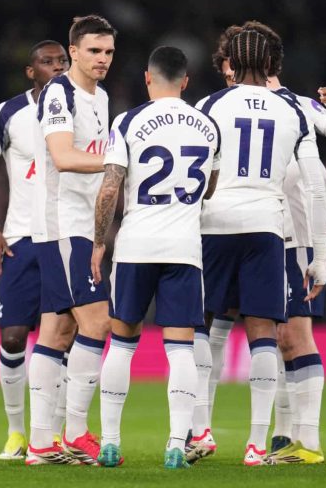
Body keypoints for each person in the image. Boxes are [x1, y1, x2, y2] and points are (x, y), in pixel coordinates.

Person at [195, 28, 326, 466]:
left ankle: (198, 430)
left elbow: (194, 174)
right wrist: (319, 255)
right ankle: (257, 444)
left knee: (208, 325)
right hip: (267, 226)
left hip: (214, 222)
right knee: (264, 333)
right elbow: (315, 187)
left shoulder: (209, 105)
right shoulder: (291, 108)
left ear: (229, 62)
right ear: (272, 62)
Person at [91, 46, 220, 469]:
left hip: (135, 246)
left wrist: (98, 241)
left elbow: (110, 187)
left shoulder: (127, 122)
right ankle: (175, 446)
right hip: (184, 248)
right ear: (186, 82)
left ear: (148, 78)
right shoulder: (207, 125)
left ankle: (110, 442)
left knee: (122, 344)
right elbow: (211, 187)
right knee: (181, 351)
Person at [245, 20, 326, 464]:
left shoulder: (298, 106)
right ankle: (284, 434)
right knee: (278, 334)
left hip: (295, 239)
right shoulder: (246, 105)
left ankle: (308, 442)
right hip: (268, 233)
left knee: (296, 334)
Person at [0, 40, 70, 460]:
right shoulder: (10, 113)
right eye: (47, 62)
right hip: (21, 238)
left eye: (62, 61)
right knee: (13, 338)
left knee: (63, 338)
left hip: (65, 237)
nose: (56, 68)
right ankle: (15, 432)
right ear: (32, 72)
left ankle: (57, 433)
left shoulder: (88, 107)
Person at [26, 15, 116, 466]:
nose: (102, 60)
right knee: (97, 322)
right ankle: (77, 431)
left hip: (82, 227)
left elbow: (96, 176)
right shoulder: (59, 92)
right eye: (94, 51)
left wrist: (101, 238)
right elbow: (62, 156)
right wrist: (117, 164)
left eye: (108, 52)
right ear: (74, 51)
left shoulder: (102, 98)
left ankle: (41, 444)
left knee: (58, 329)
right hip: (60, 223)